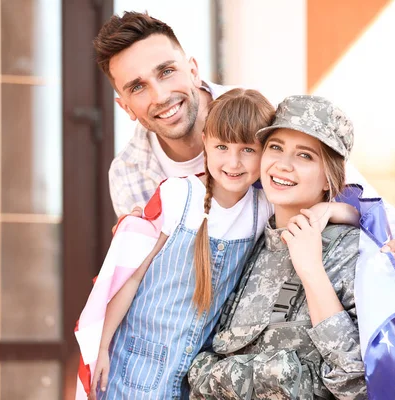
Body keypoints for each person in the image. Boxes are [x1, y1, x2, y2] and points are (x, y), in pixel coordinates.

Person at [92, 11, 395, 286]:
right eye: (138, 87)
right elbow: (152, 278)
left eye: (167, 71)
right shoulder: (128, 173)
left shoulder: (261, 117)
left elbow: (347, 186)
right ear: (125, 107)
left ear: (192, 69)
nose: (160, 95)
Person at [79, 89, 359, 400]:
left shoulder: (266, 208)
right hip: (136, 365)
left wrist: (332, 210)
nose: (234, 161)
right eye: (276, 148)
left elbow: (359, 205)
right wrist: (101, 346)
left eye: (248, 150)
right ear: (206, 145)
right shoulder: (184, 198)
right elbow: (129, 277)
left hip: (185, 378)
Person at [188, 95, 369, 399]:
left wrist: (311, 271)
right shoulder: (250, 239)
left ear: (329, 179)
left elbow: (357, 384)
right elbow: (200, 362)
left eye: (305, 156)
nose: (283, 165)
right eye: (275, 147)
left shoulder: (352, 253)